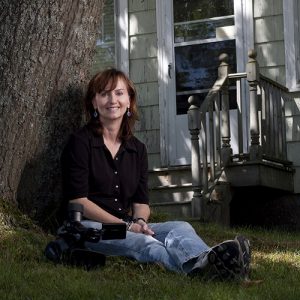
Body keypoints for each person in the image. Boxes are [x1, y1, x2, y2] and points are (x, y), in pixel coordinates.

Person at [61, 68, 251, 280]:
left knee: (180, 227)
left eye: (119, 93)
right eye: (104, 93)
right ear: (94, 103)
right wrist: (127, 227)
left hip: (129, 224)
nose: (112, 99)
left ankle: (208, 259)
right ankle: (203, 271)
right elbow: (79, 201)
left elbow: (141, 201)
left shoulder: (137, 149)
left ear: (129, 100)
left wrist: (140, 221)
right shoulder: (80, 142)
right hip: (91, 227)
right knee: (145, 243)